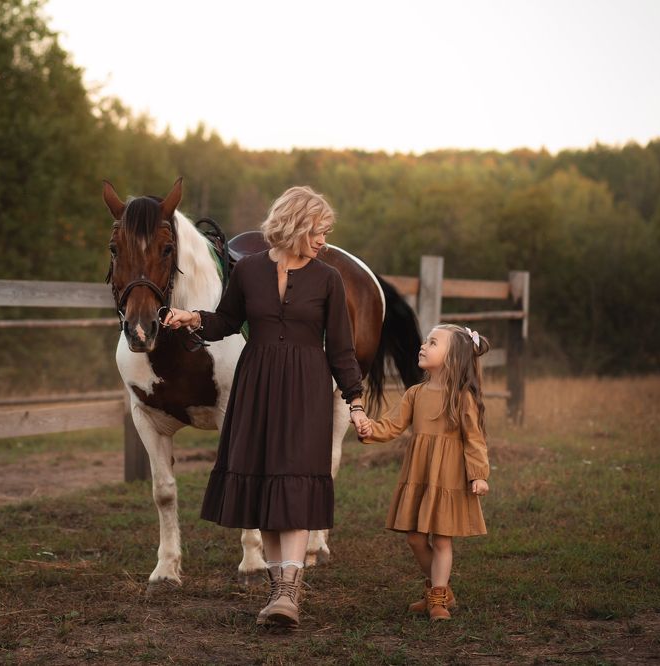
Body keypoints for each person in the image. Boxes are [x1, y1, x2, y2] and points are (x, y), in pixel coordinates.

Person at [163, 186, 371, 629]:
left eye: (326, 233)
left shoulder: (328, 279)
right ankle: (280, 593)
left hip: (306, 390)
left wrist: (355, 402)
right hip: (256, 385)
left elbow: (341, 350)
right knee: (267, 489)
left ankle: (289, 594)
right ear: (295, 222)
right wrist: (193, 318)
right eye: (319, 230)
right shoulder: (250, 271)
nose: (323, 241)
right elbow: (225, 321)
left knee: (293, 487)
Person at [356, 324, 491, 621]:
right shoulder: (415, 393)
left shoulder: (461, 397)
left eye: (433, 343)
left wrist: (478, 474)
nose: (423, 346)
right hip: (420, 474)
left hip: (449, 477)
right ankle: (441, 590)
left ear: (453, 358)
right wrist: (369, 428)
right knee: (415, 539)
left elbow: (474, 439)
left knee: (442, 540)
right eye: (425, 341)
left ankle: (438, 597)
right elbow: (391, 425)